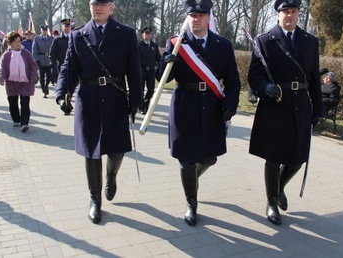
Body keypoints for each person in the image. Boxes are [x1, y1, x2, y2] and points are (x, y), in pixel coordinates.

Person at [55, 0, 142, 224]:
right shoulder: (78, 35)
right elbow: (68, 67)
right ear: (90, 6)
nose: (99, 7)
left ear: (112, 7)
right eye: (95, 3)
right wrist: (63, 92)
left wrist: (135, 100)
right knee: (91, 152)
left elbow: (134, 69)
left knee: (116, 150)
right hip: (89, 99)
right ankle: (95, 200)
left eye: (104, 3)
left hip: (115, 97)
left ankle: (111, 177)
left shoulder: (126, 33)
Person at [157, 0, 241, 226]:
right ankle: (191, 203)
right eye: (193, 15)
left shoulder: (223, 45)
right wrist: (167, 61)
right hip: (184, 105)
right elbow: (161, 77)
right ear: (188, 17)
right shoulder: (177, 43)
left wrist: (230, 105)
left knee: (209, 157)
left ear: (208, 18)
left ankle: (190, 181)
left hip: (212, 106)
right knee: (186, 160)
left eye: (202, 15)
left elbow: (233, 81)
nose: (197, 19)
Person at [247, 0, 323, 226]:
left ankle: (279, 187)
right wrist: (263, 88)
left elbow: (314, 78)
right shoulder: (264, 40)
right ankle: (271, 203)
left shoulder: (310, 42)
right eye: (285, 12)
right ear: (277, 14)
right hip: (275, 105)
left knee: (298, 158)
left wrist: (318, 107)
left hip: (300, 105)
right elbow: (254, 76)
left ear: (298, 14)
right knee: (273, 157)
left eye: (293, 11)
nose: (289, 15)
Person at [0, 32, 38, 133]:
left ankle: (24, 123)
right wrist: (1, 79)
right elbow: (3, 68)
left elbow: (33, 65)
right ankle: (16, 119)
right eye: (15, 41)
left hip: (25, 82)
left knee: (25, 102)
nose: (17, 43)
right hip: (12, 83)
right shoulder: (6, 55)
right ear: (10, 43)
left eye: (19, 41)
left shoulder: (26, 53)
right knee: (13, 102)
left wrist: (33, 76)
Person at [137, 26, 161, 114]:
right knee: (140, 90)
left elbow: (158, 58)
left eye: (149, 33)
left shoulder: (154, 45)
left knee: (151, 90)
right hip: (141, 70)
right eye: (146, 33)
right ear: (142, 34)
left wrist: (163, 63)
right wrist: (138, 69)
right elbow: (136, 59)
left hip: (151, 71)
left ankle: (146, 104)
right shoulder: (139, 45)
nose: (147, 35)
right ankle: (140, 106)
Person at [32, 25, 54, 98]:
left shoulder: (51, 39)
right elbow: (34, 50)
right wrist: (36, 59)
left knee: (49, 76)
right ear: (41, 31)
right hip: (40, 59)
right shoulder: (37, 39)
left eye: (46, 30)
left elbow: (54, 50)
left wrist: (53, 59)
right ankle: (44, 91)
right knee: (41, 77)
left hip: (48, 60)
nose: (44, 31)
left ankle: (46, 85)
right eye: (43, 30)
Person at [50, 18, 72, 87]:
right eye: (66, 26)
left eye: (69, 26)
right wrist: (54, 66)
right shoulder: (57, 40)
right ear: (62, 26)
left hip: (72, 65)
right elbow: (52, 54)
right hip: (61, 66)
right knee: (62, 85)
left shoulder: (74, 38)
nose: (68, 28)